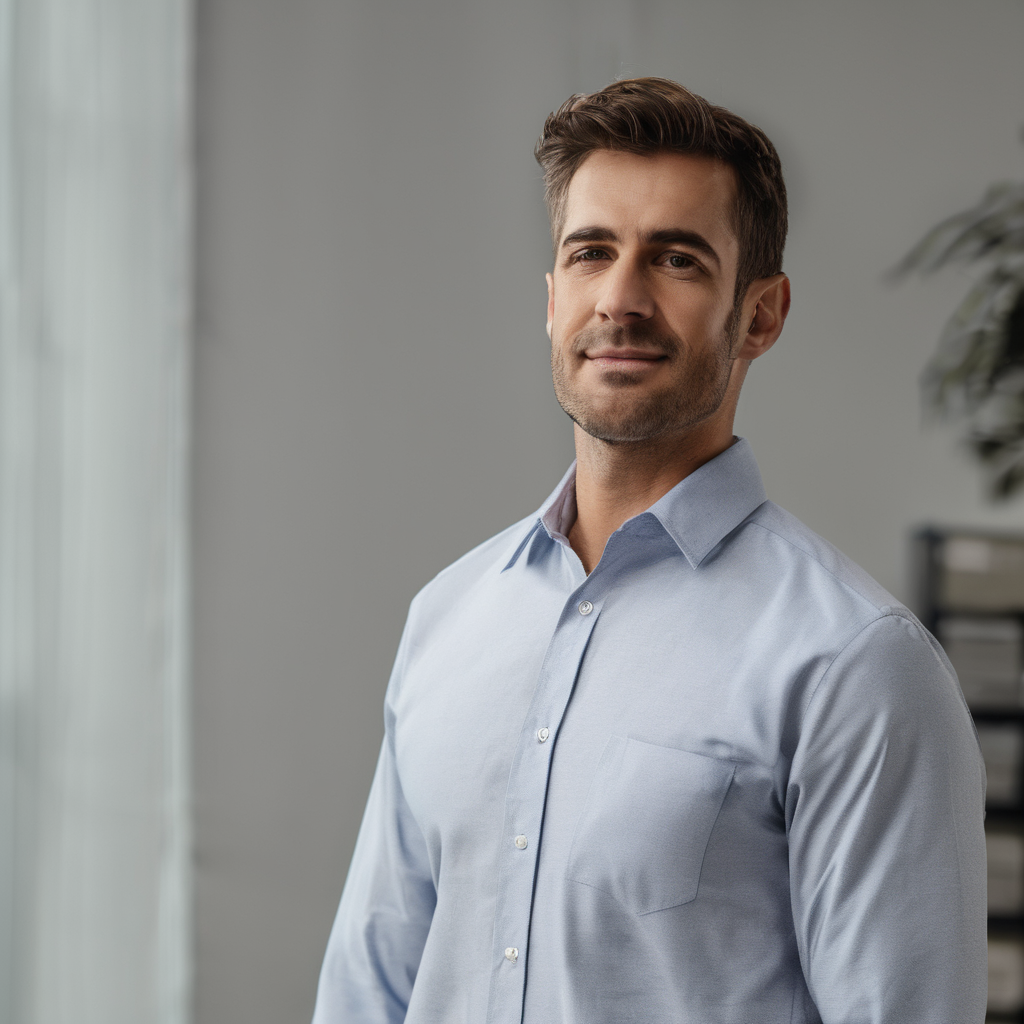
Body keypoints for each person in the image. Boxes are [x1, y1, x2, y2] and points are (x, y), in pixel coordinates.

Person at [311, 78, 987, 1024]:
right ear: (552, 299)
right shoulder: (449, 618)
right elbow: (367, 992)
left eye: (676, 259)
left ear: (761, 315)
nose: (620, 300)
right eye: (592, 253)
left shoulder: (856, 664)